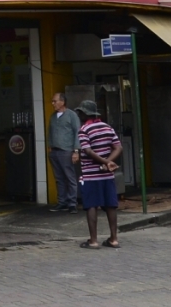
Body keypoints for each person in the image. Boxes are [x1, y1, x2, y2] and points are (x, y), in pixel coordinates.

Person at [76, 100, 122, 249]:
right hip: (107, 175)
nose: (79, 115)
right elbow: (118, 147)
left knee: (91, 205)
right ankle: (114, 239)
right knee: (110, 205)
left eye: (80, 112)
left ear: (85, 114)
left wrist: (104, 162)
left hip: (91, 174)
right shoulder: (107, 127)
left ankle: (93, 241)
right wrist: (108, 162)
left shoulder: (84, 130)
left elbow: (88, 151)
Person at [48, 92, 81, 213]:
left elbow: (77, 133)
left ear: (62, 102)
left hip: (67, 150)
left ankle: (72, 203)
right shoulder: (53, 116)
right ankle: (62, 202)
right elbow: (50, 132)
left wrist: (76, 151)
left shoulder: (71, 115)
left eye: (54, 101)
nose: (53, 104)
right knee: (59, 178)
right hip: (54, 151)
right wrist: (50, 147)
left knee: (70, 177)